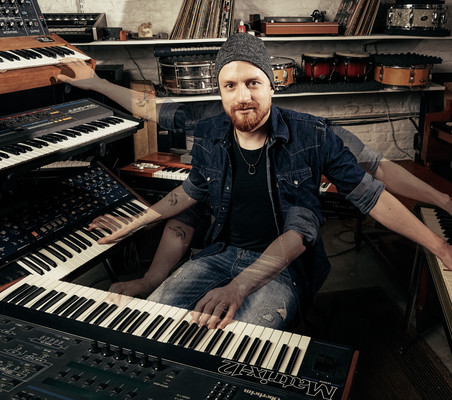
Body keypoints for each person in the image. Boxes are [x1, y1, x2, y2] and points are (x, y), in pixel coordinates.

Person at [57, 35, 452, 331]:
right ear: (219, 92)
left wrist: (439, 244)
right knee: (155, 325)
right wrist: (96, 84)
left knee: (240, 340)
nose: (242, 95)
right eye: (230, 86)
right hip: (217, 254)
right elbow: (153, 110)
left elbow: (373, 192)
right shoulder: (211, 128)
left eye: (253, 83)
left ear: (272, 85)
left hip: (283, 270)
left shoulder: (313, 136)